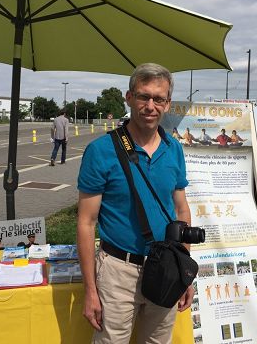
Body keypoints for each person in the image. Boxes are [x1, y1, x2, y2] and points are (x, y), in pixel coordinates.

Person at [76, 63, 193, 343]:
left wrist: (183, 270)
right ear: (129, 98)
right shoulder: (101, 151)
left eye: (158, 99)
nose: (150, 106)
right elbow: (86, 222)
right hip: (118, 271)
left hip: (165, 267)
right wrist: (90, 289)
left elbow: (181, 210)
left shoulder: (174, 149)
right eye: (143, 96)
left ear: (167, 104)